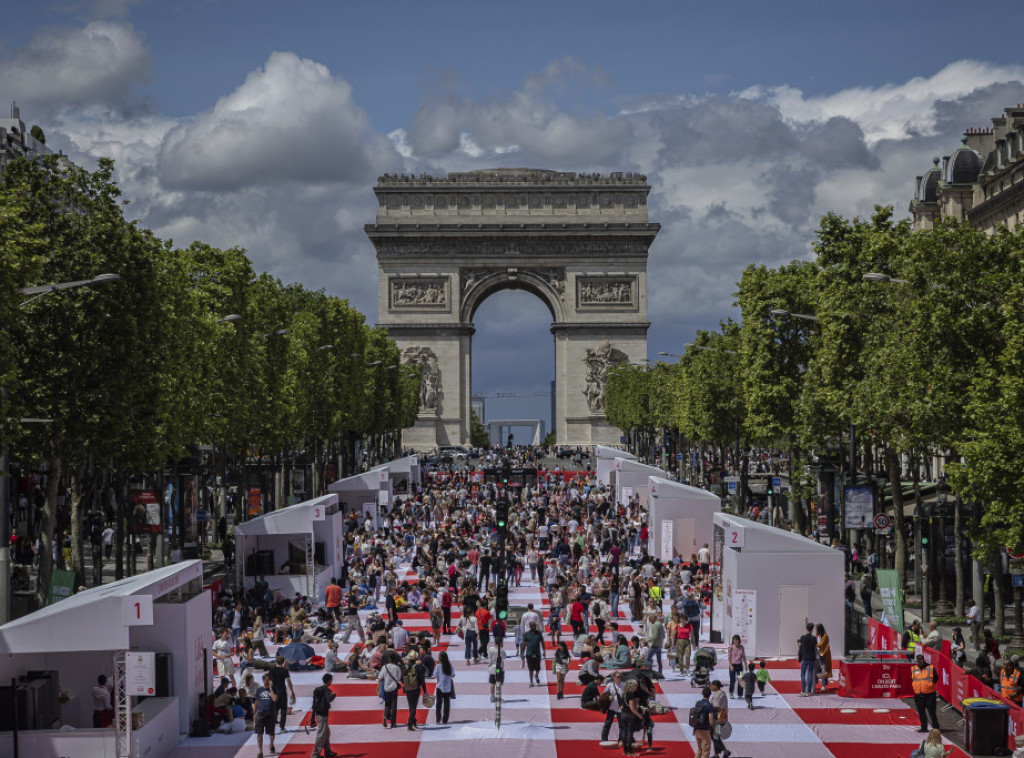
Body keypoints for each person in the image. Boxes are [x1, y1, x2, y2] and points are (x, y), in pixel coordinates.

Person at [310, 672, 338, 758]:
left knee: (326, 733)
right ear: (329, 681)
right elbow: (328, 699)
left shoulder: (318, 689)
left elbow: (314, 704)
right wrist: (334, 695)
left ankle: (328, 751)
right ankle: (315, 754)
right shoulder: (326, 690)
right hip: (323, 714)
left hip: (318, 713)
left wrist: (312, 718)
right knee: (321, 734)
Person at [268, 655, 296, 734]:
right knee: (283, 710)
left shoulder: (271, 671)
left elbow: (269, 682)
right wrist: (292, 692)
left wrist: (271, 691)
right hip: (282, 692)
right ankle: (282, 728)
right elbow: (289, 681)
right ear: (283, 662)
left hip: (274, 692)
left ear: (275, 661)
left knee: (274, 710)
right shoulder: (284, 671)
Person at [911, 654, 939, 733]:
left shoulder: (930, 668)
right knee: (921, 712)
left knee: (932, 712)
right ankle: (924, 727)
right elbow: (912, 679)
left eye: (922, 659)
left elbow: (936, 678)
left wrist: (928, 686)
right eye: (920, 660)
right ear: (917, 661)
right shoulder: (913, 669)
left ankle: (936, 727)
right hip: (918, 695)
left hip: (930, 695)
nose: (922, 661)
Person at [254, 673, 278, 758]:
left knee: (271, 733)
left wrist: (270, 688)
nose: (266, 681)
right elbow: (256, 702)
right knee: (259, 733)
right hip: (260, 713)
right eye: (265, 680)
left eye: (268, 680)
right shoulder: (259, 690)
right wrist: (255, 713)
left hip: (270, 713)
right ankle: (260, 751)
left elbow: (274, 698)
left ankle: (271, 744)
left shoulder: (274, 689)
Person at [402, 650, 426, 730]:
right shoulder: (419, 667)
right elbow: (422, 680)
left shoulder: (404, 667)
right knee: (413, 706)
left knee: (411, 706)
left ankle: (414, 721)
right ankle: (410, 724)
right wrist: (425, 691)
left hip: (407, 688)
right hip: (416, 688)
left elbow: (402, 679)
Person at [691, 685, 716, 758]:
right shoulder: (710, 706)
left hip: (696, 729)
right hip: (705, 729)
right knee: (706, 751)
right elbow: (711, 721)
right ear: (710, 694)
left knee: (699, 749)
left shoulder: (697, 703)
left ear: (702, 693)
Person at [380, 650, 403, 729]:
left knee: (387, 704)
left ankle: (385, 716)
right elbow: (399, 678)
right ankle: (393, 723)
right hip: (394, 688)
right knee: (394, 705)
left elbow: (380, 677)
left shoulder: (384, 666)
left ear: (389, 659)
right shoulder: (397, 668)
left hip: (386, 687)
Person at [709, 680, 731, 758]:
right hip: (722, 717)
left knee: (714, 735)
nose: (710, 687)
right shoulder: (722, 693)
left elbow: (716, 706)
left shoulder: (717, 694)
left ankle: (725, 751)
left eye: (711, 685)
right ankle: (717, 754)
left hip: (717, 718)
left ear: (715, 686)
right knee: (715, 735)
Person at [602, 670, 625, 745]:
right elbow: (603, 696)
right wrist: (608, 697)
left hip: (620, 708)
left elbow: (626, 697)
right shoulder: (610, 685)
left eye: (620, 676)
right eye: (618, 677)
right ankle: (604, 739)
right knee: (607, 724)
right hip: (611, 707)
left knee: (621, 725)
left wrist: (624, 705)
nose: (619, 678)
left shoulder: (624, 685)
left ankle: (621, 740)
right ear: (614, 678)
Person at [432, 651, 455, 725]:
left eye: (439, 656)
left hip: (440, 687)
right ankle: (445, 720)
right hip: (447, 687)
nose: (438, 657)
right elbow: (453, 674)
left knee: (438, 704)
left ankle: (438, 719)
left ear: (441, 658)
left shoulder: (438, 666)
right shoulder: (450, 666)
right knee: (447, 704)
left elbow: (434, 675)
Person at [797, 623, 818, 696]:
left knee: (803, 674)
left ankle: (803, 690)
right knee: (810, 674)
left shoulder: (802, 637)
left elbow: (799, 645)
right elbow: (815, 648)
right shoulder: (814, 638)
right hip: (811, 658)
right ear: (812, 629)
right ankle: (808, 691)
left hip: (804, 657)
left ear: (806, 629)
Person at [524, 621, 544, 686]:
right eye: (532, 626)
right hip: (529, 654)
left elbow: (542, 642)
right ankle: (531, 681)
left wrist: (544, 651)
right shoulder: (526, 634)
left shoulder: (539, 634)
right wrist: (522, 653)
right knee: (530, 669)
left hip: (537, 654)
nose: (534, 627)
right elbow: (524, 644)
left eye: (535, 626)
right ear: (529, 627)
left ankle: (536, 675)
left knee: (538, 668)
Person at [645, 612, 665, 677]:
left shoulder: (655, 625)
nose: (650, 621)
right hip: (659, 645)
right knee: (659, 661)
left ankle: (650, 674)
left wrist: (647, 640)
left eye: (650, 619)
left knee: (647, 659)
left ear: (653, 618)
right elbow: (664, 635)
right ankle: (660, 674)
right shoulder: (660, 624)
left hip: (655, 645)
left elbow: (654, 636)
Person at [816, 623, 832, 692]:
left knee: (824, 669)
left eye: (817, 629)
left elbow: (820, 644)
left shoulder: (825, 636)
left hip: (823, 655)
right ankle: (815, 683)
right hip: (818, 655)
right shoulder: (817, 636)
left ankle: (823, 685)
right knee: (816, 669)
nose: (816, 630)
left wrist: (814, 646)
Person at [487, 638, 505, 703]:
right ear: (501, 643)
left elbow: (489, 656)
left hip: (492, 667)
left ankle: (492, 696)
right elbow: (504, 657)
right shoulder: (502, 650)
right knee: (498, 682)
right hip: (498, 669)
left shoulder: (490, 649)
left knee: (492, 682)